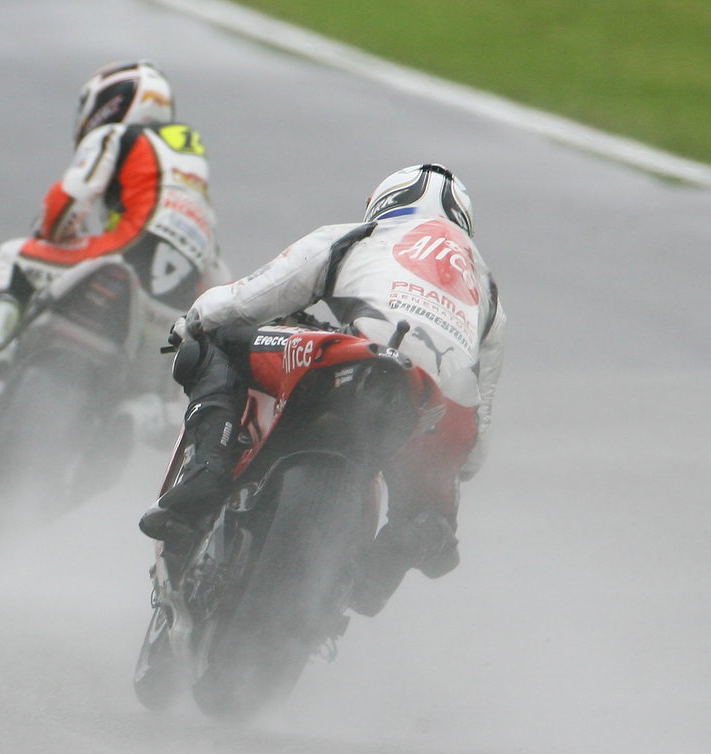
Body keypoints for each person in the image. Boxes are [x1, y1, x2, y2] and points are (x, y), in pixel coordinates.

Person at [139, 164, 505, 614]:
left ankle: (205, 477)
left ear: (385, 202)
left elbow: (249, 299)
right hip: (439, 408)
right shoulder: (488, 294)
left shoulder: (360, 235)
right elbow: (478, 432)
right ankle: (377, 573)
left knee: (218, 343)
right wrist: (448, 473)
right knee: (431, 515)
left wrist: (191, 323)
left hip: (358, 358)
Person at [0, 59, 225, 356]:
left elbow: (68, 203)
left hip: (120, 262)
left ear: (109, 103)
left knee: (1, 260)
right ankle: (148, 398)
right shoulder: (194, 178)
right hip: (172, 315)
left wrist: (48, 234)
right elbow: (216, 271)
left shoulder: (116, 135)